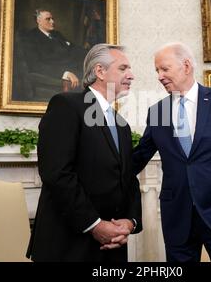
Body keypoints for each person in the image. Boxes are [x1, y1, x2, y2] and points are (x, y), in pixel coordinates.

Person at [133, 42, 211, 262]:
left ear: (186, 66)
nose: (159, 76)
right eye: (157, 71)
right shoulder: (157, 111)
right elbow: (139, 157)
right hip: (177, 217)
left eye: (164, 69)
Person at [26, 44, 142, 262]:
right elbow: (57, 173)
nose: (131, 75)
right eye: (124, 68)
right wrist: (95, 225)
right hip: (69, 246)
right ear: (100, 71)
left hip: (112, 248)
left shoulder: (122, 125)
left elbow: (128, 178)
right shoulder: (66, 105)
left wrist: (130, 221)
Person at [21, 9, 86, 99]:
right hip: (54, 75)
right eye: (48, 19)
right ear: (38, 21)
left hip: (75, 70)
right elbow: (36, 65)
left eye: (52, 18)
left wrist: (92, 54)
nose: (52, 22)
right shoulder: (30, 37)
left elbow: (73, 49)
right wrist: (65, 73)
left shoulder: (56, 34)